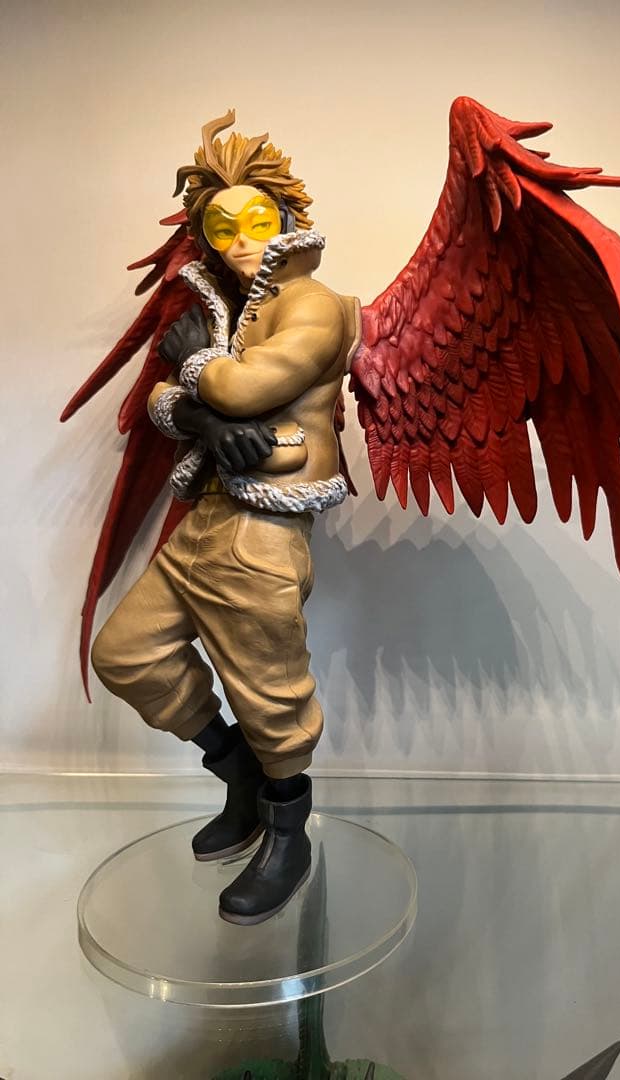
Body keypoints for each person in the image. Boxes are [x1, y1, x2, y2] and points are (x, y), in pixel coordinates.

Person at [91, 112, 361, 925]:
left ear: (286, 219)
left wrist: (196, 369)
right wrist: (204, 419)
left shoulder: (313, 303)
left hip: (264, 527)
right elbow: (169, 402)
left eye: (256, 222)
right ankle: (237, 771)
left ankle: (287, 831)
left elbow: (243, 388)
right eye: (221, 227)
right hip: (207, 512)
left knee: (271, 696)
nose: (241, 241)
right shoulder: (227, 308)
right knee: (126, 654)